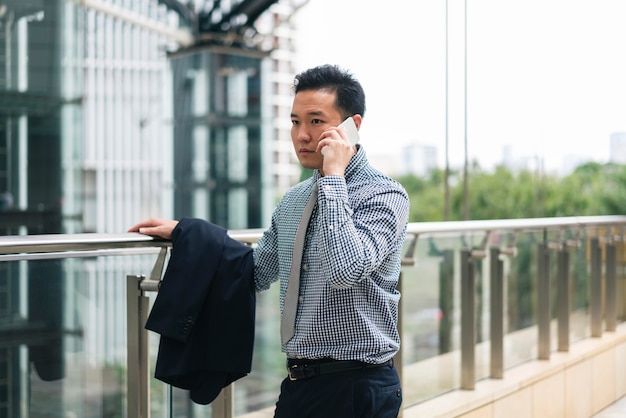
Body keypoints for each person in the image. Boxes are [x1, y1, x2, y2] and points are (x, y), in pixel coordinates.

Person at [129, 64, 410, 417]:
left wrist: (334, 177)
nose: (302, 135)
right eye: (295, 122)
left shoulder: (384, 195)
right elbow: (256, 271)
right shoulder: (294, 201)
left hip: (358, 387)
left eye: (316, 121)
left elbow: (346, 269)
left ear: (352, 127)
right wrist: (190, 233)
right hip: (298, 385)